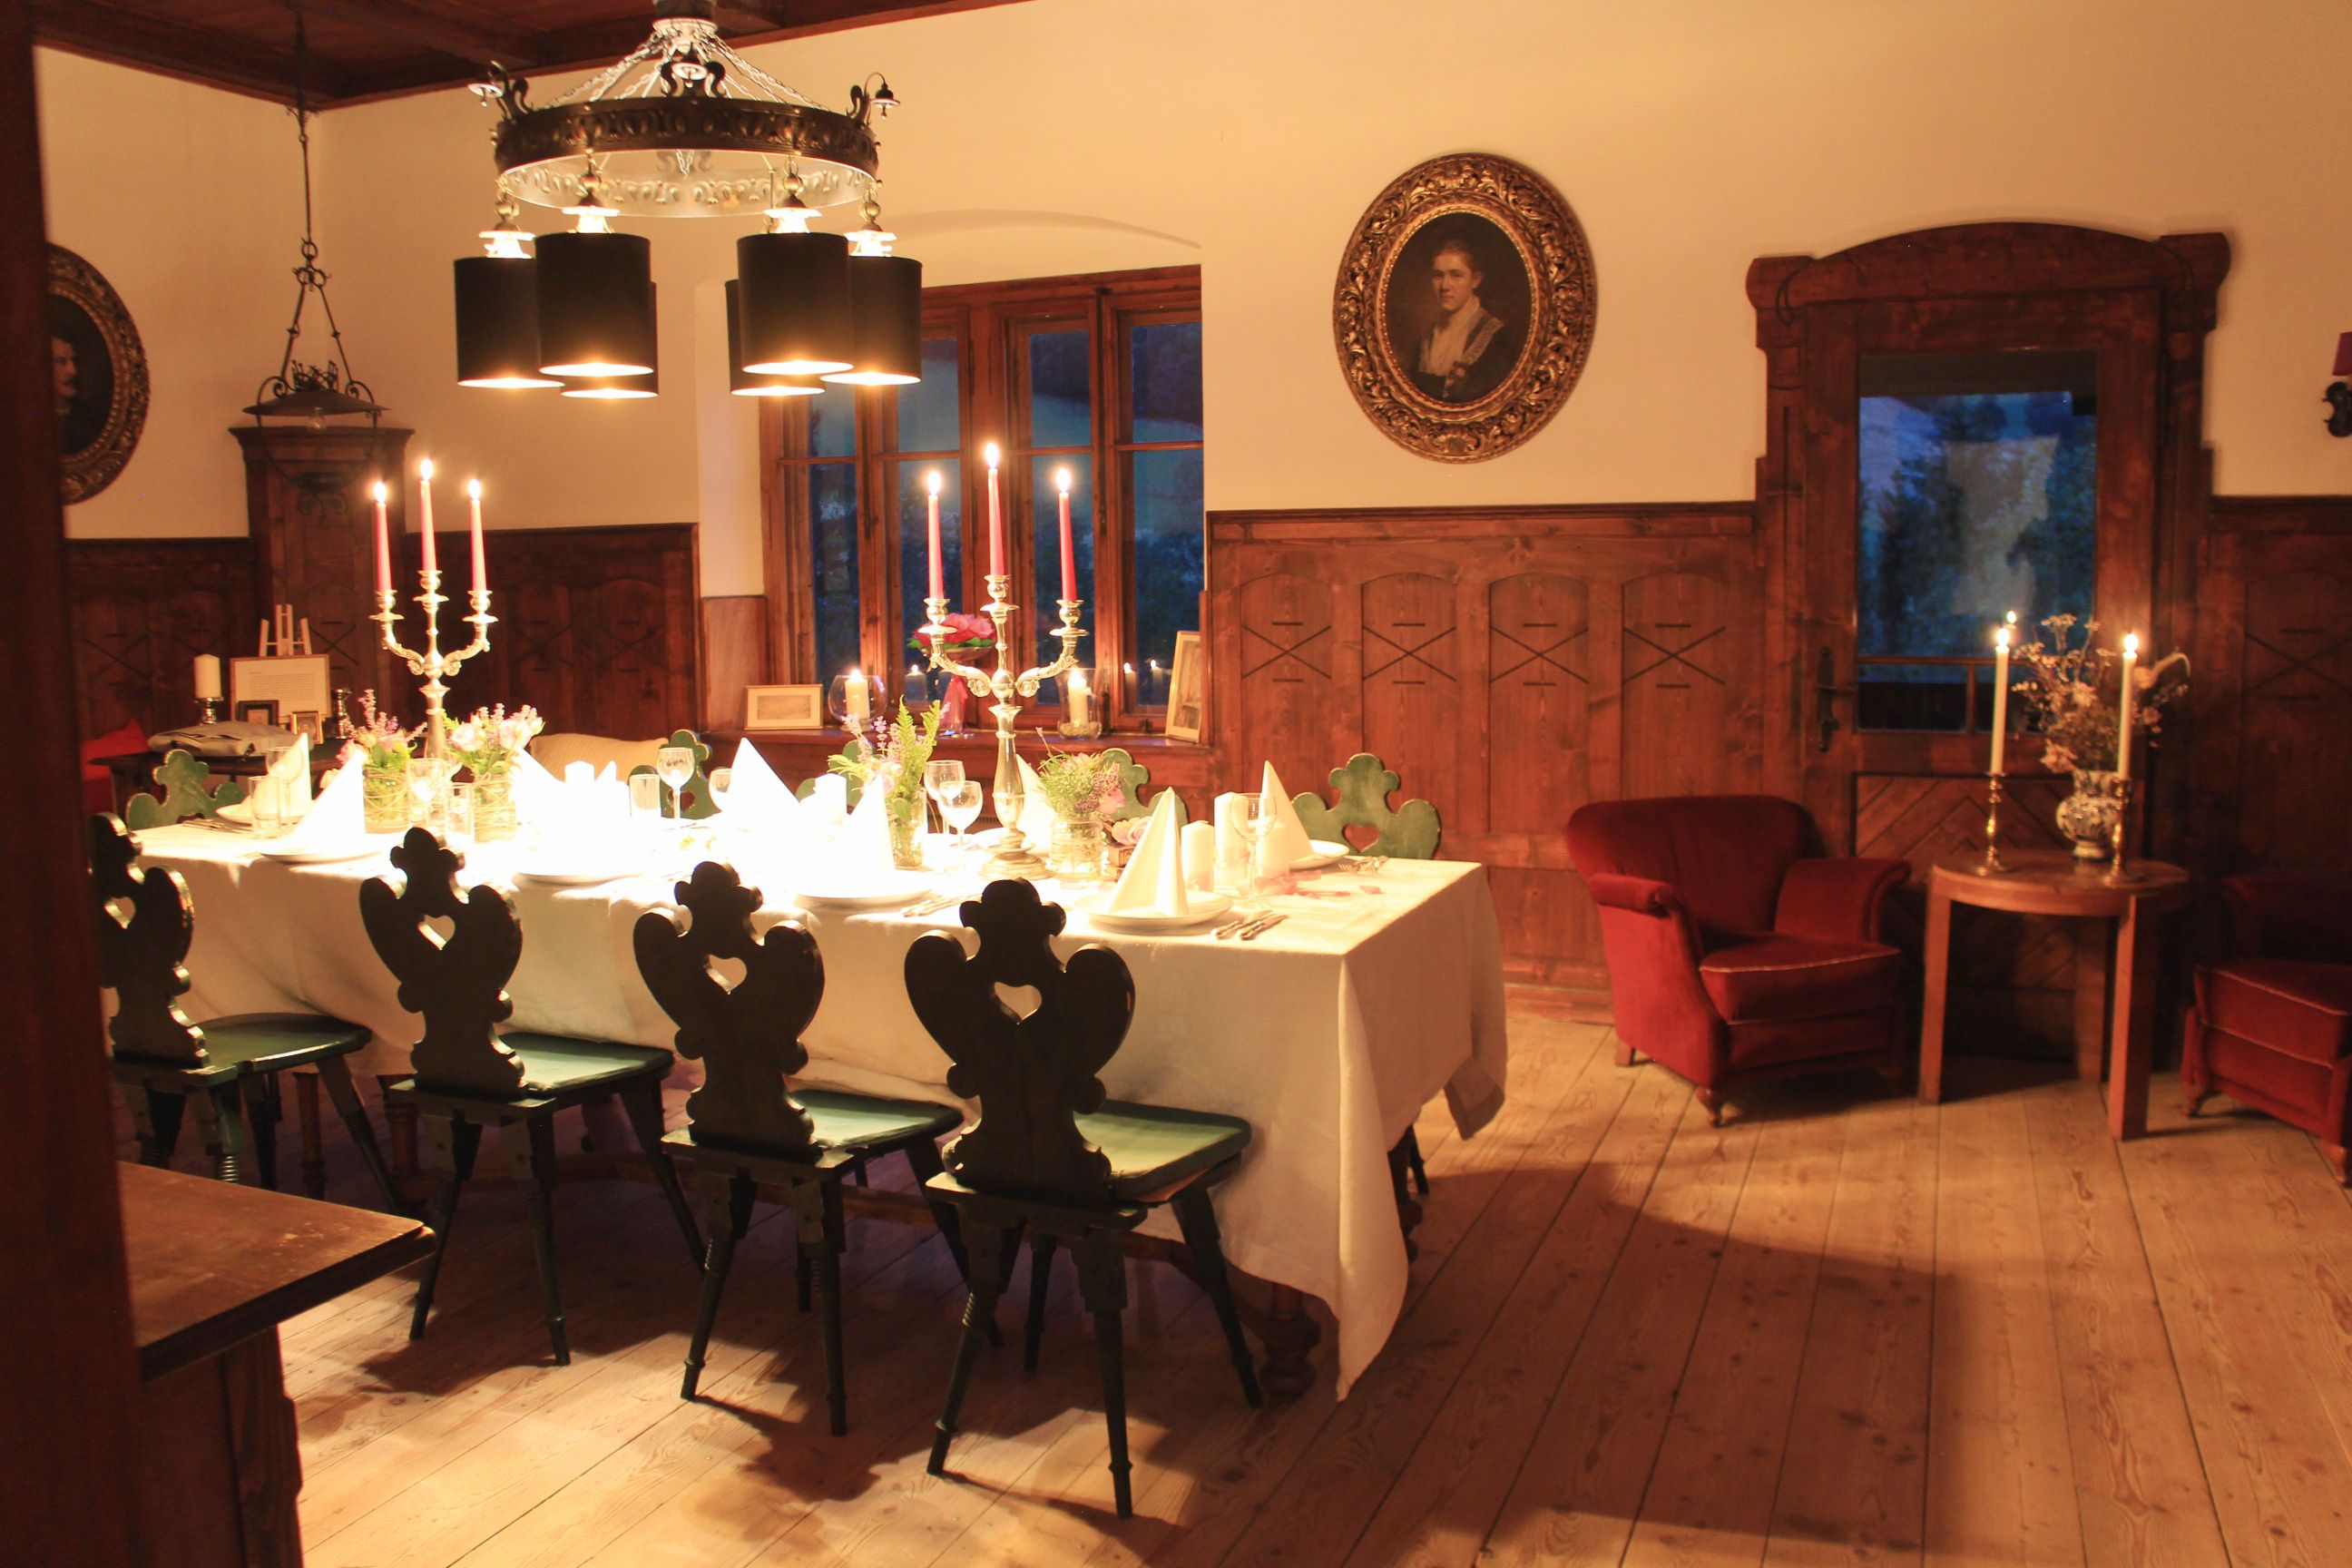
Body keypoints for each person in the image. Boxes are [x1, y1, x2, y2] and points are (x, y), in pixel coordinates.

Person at [1408, 236, 1520, 404]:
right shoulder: (1425, 342)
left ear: (1476, 280)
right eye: (1438, 275)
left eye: (1456, 275)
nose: (1445, 286)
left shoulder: (1500, 338)